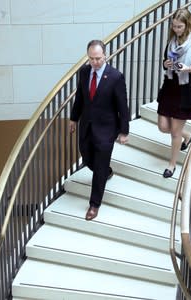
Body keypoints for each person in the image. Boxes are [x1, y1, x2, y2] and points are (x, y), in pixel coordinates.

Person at [69, 39, 130, 221]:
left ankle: (94, 205)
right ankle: (105, 172)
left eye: (98, 58)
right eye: (91, 59)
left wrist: (124, 131)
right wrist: (74, 118)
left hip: (106, 128)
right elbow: (80, 96)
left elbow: (123, 106)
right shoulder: (84, 72)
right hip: (87, 124)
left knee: (100, 165)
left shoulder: (115, 77)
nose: (95, 62)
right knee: (86, 155)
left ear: (105, 55)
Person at [157, 8, 191, 178]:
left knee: (174, 133)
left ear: (188, 25)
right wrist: (166, 64)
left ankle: (172, 165)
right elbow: (165, 62)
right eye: (174, 26)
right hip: (170, 88)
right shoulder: (172, 41)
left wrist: (190, 69)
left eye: (179, 27)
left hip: (185, 91)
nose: (176, 30)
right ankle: (188, 135)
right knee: (163, 126)